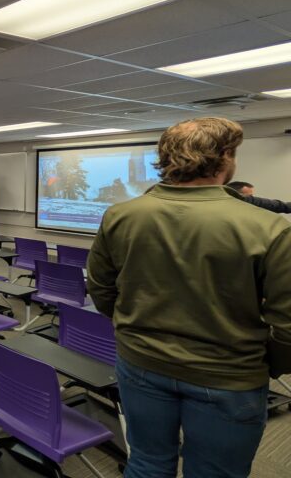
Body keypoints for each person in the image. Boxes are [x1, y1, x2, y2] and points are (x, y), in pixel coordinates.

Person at [87, 117, 291, 478]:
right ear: (225, 158)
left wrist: (132, 330)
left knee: (147, 463)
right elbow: (287, 326)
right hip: (229, 375)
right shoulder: (270, 228)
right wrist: (266, 364)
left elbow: (101, 289)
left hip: (140, 364)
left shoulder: (120, 215)